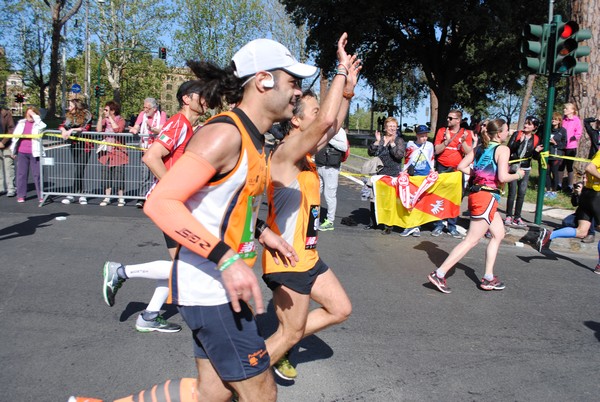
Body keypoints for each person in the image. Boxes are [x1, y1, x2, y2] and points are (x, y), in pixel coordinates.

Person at [143, 37, 315, 401]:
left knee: (214, 394)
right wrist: (227, 258)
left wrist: (263, 233)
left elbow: (227, 206)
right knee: (261, 393)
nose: (297, 93)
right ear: (264, 80)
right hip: (210, 290)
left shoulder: (255, 139)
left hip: (220, 289)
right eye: (293, 83)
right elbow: (161, 203)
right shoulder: (225, 134)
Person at [263, 37, 359, 380]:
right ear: (297, 122)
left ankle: (276, 343)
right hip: (286, 260)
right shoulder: (286, 155)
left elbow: (331, 125)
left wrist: (346, 94)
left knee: (340, 309)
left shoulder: (305, 154)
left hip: (309, 256)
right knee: (289, 332)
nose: (323, 118)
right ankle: (241, 379)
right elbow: (325, 123)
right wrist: (340, 71)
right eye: (314, 112)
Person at [102, 81, 208, 333]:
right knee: (187, 266)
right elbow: (151, 157)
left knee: (181, 266)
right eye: (201, 96)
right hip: (169, 203)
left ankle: (148, 315)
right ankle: (121, 272)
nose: (206, 100)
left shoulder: (187, 126)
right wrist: (175, 190)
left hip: (173, 202)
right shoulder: (178, 123)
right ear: (186, 98)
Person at [427, 119, 525, 294]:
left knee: (498, 234)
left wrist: (479, 174)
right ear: (500, 132)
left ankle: (488, 277)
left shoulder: (480, 148)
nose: (508, 133)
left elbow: (461, 166)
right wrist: (517, 174)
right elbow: (502, 177)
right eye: (507, 130)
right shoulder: (503, 149)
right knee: (471, 240)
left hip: (478, 195)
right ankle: (439, 274)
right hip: (486, 196)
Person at [537, 151, 600, 267]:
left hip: (587, 194)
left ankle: (549, 235)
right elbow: (590, 167)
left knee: (582, 231)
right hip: (597, 195)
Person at [431, 109, 474, 238]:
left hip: (457, 170)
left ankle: (452, 226)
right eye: (448, 118)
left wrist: (463, 142)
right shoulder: (442, 131)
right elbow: (437, 150)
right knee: (439, 196)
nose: (448, 120)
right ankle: (438, 225)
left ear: (458, 120)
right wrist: (447, 141)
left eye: (451, 118)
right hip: (442, 167)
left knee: (455, 199)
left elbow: (469, 152)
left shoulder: (466, 133)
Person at [366, 116, 406, 233]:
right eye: (390, 126)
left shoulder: (399, 140)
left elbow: (399, 155)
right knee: (375, 198)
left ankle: (389, 225)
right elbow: (371, 152)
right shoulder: (382, 139)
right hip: (379, 172)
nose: (392, 129)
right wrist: (377, 142)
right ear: (385, 128)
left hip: (393, 173)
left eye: (394, 126)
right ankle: (374, 222)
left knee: (389, 200)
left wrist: (393, 144)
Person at [504, 116, 543, 227]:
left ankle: (517, 217)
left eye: (529, 124)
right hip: (514, 167)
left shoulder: (535, 139)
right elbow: (509, 148)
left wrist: (536, 151)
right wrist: (518, 143)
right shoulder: (517, 134)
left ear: (534, 127)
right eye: (526, 123)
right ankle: (508, 215)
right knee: (512, 192)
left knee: (521, 193)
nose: (526, 125)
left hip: (525, 168)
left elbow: (534, 157)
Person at [128, 98, 167, 208]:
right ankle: (142, 198)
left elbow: (161, 130)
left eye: (147, 108)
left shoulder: (162, 115)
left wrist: (152, 129)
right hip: (145, 148)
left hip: (157, 149)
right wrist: (133, 130)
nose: (145, 110)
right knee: (144, 174)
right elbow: (137, 126)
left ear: (154, 109)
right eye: (144, 107)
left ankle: (158, 198)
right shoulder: (142, 114)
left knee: (157, 174)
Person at [399, 124, 435, 237]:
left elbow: (431, 159)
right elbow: (408, 159)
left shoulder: (429, 145)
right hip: (413, 176)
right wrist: (404, 170)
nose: (424, 138)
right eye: (422, 136)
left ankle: (417, 226)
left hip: (424, 176)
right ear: (417, 135)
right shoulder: (411, 144)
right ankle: (409, 225)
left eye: (426, 136)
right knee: (410, 200)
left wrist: (432, 171)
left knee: (420, 201)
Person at [60, 99, 93, 205]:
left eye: (70, 106)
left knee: (79, 168)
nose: (68, 108)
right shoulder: (69, 116)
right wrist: (64, 130)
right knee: (77, 168)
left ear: (76, 107)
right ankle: (79, 193)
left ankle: (77, 193)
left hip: (85, 145)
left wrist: (72, 130)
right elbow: (62, 125)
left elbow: (85, 128)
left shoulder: (87, 116)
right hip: (74, 144)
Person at [314, 127, 348, 231]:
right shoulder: (322, 127)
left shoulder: (339, 131)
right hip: (319, 165)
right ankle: (314, 218)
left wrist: (329, 139)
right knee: (315, 193)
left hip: (331, 168)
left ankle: (330, 221)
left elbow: (344, 147)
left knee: (329, 195)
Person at [10, 106, 46, 203]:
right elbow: (15, 138)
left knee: (37, 174)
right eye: (28, 113)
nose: (30, 116)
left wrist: (35, 116)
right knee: (21, 174)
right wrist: (13, 151)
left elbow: (43, 126)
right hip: (22, 152)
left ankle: (41, 195)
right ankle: (21, 195)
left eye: (32, 114)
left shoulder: (38, 124)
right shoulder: (21, 123)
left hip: (35, 152)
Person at [96, 101, 128, 207]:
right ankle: (107, 197)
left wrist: (110, 118)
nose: (105, 112)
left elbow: (117, 130)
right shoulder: (105, 120)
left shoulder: (121, 120)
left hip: (118, 152)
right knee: (105, 175)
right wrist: (101, 117)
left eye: (106, 110)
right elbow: (99, 130)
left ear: (112, 111)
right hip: (106, 152)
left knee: (119, 174)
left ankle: (121, 197)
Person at [558, 102, 582, 193]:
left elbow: (579, 132)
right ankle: (559, 184)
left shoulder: (576, 120)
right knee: (560, 165)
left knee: (569, 166)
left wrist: (574, 138)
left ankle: (570, 185)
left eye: (566, 109)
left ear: (572, 110)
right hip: (562, 146)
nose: (564, 110)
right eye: (564, 108)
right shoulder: (563, 120)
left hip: (571, 146)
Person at [545, 112, 567, 199]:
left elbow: (564, 144)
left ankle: (554, 191)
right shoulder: (548, 129)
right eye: (552, 119)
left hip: (556, 155)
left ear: (559, 121)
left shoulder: (563, 131)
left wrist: (555, 143)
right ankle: (547, 190)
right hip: (547, 154)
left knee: (555, 172)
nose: (553, 120)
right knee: (546, 173)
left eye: (555, 119)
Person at [0, 105, 16, 197]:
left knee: (9, 166)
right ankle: (1, 188)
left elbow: (11, 129)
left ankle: (11, 188)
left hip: (7, 145)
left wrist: (3, 142)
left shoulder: (6, 114)